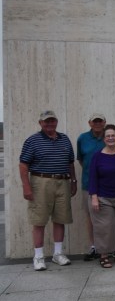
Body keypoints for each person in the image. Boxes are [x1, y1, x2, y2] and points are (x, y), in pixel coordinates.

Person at [19, 110, 77, 271]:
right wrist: (26, 186)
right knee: (39, 220)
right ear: (40, 123)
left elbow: (71, 163)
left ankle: (58, 254)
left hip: (63, 181)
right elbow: (23, 165)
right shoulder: (32, 141)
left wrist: (73, 181)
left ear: (56, 122)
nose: (50, 124)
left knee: (60, 218)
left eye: (52, 121)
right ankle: (38, 256)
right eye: (46, 121)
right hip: (41, 182)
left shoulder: (65, 139)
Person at [88, 124, 115, 268]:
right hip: (103, 197)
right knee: (105, 227)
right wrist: (94, 197)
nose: (110, 138)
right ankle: (104, 255)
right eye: (108, 136)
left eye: (113, 135)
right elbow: (92, 177)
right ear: (104, 138)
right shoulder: (97, 156)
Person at [77, 113, 107, 261]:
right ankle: (94, 246)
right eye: (94, 121)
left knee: (107, 216)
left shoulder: (109, 136)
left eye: (100, 121)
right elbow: (81, 160)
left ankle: (108, 247)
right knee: (91, 216)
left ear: (104, 122)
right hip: (88, 183)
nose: (97, 124)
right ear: (90, 123)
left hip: (107, 184)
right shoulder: (82, 139)